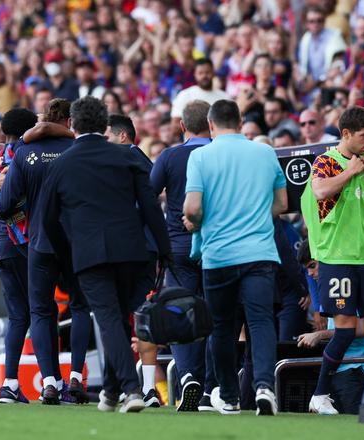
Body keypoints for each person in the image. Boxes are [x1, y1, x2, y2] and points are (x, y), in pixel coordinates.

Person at [40, 96, 171, 413]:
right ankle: (112, 391)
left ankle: (131, 389)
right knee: (120, 320)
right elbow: (151, 205)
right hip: (132, 249)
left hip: (89, 253)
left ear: (72, 125)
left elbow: (47, 219)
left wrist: (65, 254)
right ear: (104, 125)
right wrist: (166, 251)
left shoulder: (60, 164)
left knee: (110, 319)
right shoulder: (127, 157)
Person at [183, 99, 288, 416]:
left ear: (211, 125)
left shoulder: (200, 155)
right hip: (259, 253)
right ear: (241, 122)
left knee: (222, 328)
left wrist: (198, 222)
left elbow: (191, 208)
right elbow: (282, 204)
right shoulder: (265, 152)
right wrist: (254, 216)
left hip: (218, 255)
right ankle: (265, 387)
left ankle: (228, 395)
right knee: (260, 321)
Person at [300, 106, 364, 415]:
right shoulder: (327, 162)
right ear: (346, 134)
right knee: (345, 331)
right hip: (338, 258)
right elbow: (320, 191)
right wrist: (352, 172)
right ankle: (320, 395)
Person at [0, 101, 92, 405]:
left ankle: (49, 382)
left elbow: (5, 203)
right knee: (79, 307)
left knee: (39, 310)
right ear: (68, 120)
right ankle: (76, 377)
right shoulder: (79, 150)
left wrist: (1, 207)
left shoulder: (24, 153)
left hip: (40, 241)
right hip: (76, 240)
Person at [150, 100, 212, 412]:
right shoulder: (221, 153)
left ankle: (188, 376)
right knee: (217, 314)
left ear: (182, 127)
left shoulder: (170, 155)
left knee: (180, 312)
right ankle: (214, 387)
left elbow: (147, 195)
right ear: (212, 124)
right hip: (218, 244)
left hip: (177, 246)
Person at [0, 108, 36, 404]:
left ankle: (10, 383)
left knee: (18, 313)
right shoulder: (32, 153)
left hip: (1, 240)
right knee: (39, 309)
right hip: (27, 238)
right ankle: (53, 380)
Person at [105, 113, 163, 408]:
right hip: (144, 247)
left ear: (123, 136)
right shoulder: (139, 161)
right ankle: (144, 387)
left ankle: (137, 388)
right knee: (138, 315)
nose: (105, 143)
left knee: (126, 316)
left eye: (107, 137)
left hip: (132, 248)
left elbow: (147, 202)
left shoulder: (129, 159)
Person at [297, 239, 364, 414]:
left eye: (312, 265)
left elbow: (359, 329)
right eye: (307, 269)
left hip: (357, 369)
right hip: (343, 369)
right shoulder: (332, 286)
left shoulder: (346, 283)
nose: (310, 273)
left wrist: (319, 335)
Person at [170, 59, 230, 136]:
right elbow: (175, 126)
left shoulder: (224, 97)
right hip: (193, 145)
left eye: (207, 72)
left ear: (213, 73)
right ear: (195, 74)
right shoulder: (185, 95)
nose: (204, 76)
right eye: (200, 73)